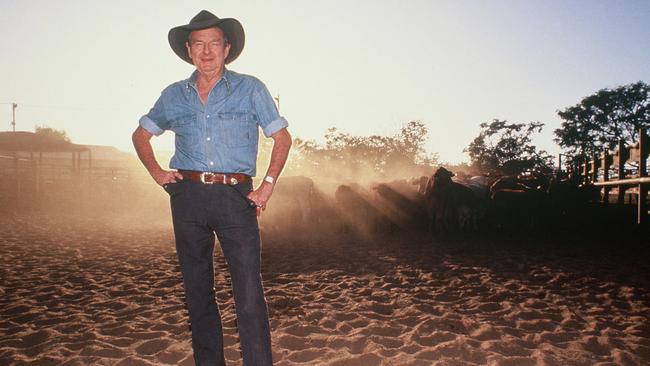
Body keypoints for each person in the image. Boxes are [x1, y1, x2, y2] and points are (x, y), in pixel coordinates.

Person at [132, 10, 291, 366]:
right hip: (187, 199)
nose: (206, 52)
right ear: (189, 50)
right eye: (199, 45)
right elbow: (141, 135)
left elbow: (282, 138)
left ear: (227, 48)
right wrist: (157, 171)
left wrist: (266, 185)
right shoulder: (173, 95)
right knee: (197, 292)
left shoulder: (251, 88)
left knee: (249, 293)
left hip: (236, 198)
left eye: (214, 43)